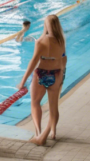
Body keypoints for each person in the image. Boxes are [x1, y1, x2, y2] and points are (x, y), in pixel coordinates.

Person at [17, 15, 67, 146]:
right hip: (56, 74)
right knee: (53, 107)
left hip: (40, 74)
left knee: (35, 102)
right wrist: (61, 74)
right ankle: (52, 132)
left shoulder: (40, 41)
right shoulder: (61, 41)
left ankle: (39, 134)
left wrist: (23, 81)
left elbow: (33, 62)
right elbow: (64, 60)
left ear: (46, 25)